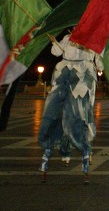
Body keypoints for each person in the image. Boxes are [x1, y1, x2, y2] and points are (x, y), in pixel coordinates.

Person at [38, 33, 103, 183]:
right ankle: (55, 149)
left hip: (83, 78)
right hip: (63, 76)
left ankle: (85, 149)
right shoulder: (68, 38)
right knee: (54, 112)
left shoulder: (94, 37)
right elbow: (55, 52)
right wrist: (55, 42)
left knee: (79, 114)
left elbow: (100, 63)